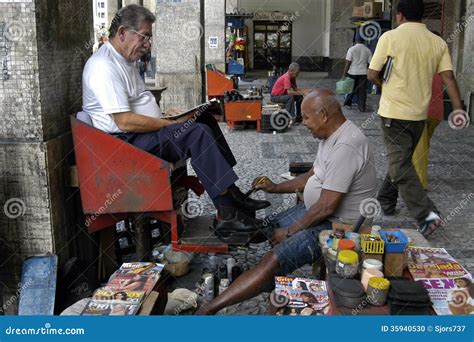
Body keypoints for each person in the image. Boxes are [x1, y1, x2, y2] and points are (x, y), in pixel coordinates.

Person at [81, 5, 270, 236]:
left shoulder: (125, 61)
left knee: (204, 118)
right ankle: (227, 213)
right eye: (145, 36)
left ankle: (232, 192)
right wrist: (169, 124)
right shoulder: (103, 66)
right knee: (194, 133)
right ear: (122, 32)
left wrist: (169, 116)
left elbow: (136, 106)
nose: (148, 44)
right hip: (123, 145)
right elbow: (124, 121)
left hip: (138, 135)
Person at [195, 89, 378, 315]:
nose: (303, 124)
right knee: (268, 228)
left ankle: (209, 309)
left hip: (339, 226)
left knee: (273, 258)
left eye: (307, 118)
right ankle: (254, 254)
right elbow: (312, 175)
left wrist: (290, 232)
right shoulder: (331, 135)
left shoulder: (346, 145)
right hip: (320, 211)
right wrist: (275, 187)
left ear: (323, 115)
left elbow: (326, 206)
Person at [367, 0, 465, 237]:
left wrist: (384, 84)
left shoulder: (389, 38)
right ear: (421, 16)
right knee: (401, 162)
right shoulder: (438, 42)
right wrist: (459, 108)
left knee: (399, 165)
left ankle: (427, 214)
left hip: (393, 114)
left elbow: (371, 74)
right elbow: (449, 78)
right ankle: (386, 200)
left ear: (399, 15)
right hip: (419, 116)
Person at [412, 32, 445, 190]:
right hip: (436, 113)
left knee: (420, 149)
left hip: (422, 111)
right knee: (423, 146)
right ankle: (415, 175)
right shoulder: (441, 63)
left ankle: (420, 183)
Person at [342, 33, 372, 112]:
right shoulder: (367, 50)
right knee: (362, 91)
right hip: (363, 73)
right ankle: (362, 107)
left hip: (352, 73)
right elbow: (370, 63)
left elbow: (348, 63)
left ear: (355, 40)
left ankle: (348, 104)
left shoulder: (351, 49)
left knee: (350, 89)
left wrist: (344, 75)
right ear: (364, 40)